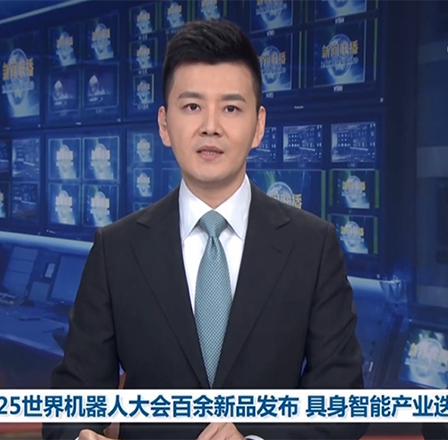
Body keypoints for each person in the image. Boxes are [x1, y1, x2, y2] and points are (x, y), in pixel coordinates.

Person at [43, 19, 366, 440]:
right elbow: (69, 404)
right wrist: (79, 434)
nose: (210, 126)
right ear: (164, 125)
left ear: (259, 126)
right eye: (192, 107)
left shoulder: (312, 246)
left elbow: (343, 405)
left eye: (231, 108)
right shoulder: (117, 250)